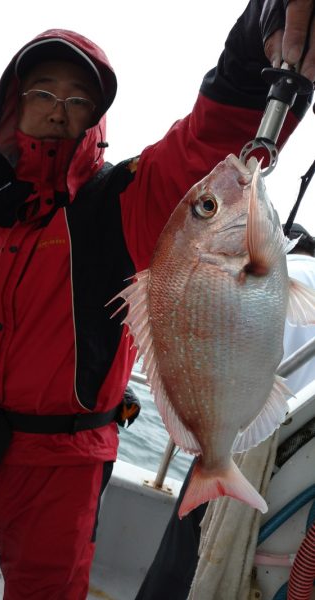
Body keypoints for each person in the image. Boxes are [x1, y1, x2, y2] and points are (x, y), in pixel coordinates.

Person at [0, 1, 314, 598]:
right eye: (42, 92)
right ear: (13, 107)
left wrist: (249, 56)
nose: (58, 109)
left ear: (96, 117)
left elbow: (206, 144)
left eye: (78, 98)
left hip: (64, 466)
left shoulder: (121, 203)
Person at [134, 222, 315, 600]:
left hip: (233, 443)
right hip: (291, 472)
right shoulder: (288, 279)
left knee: (180, 566)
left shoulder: (284, 275)